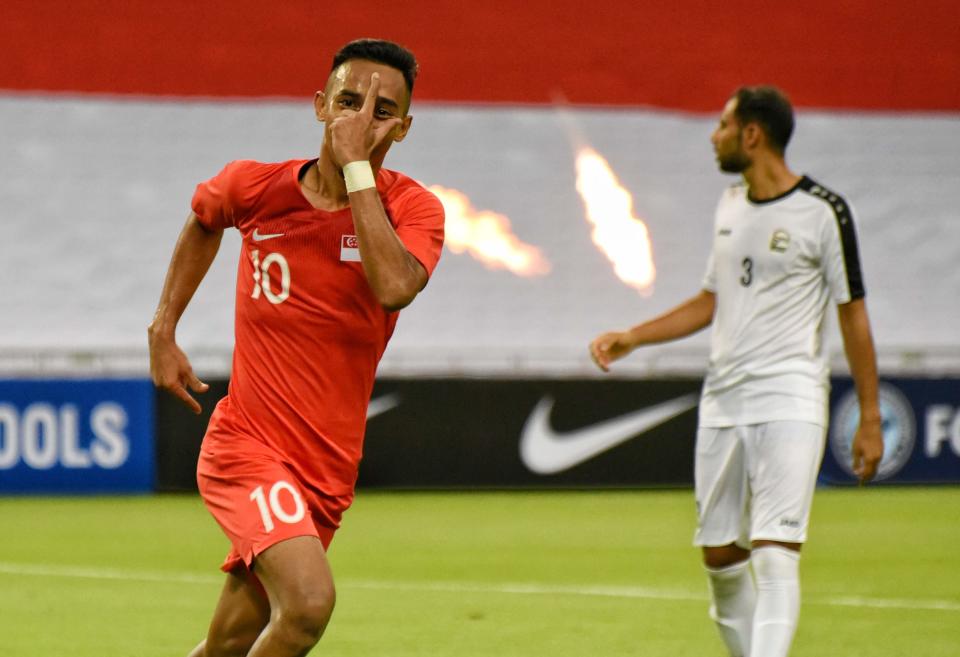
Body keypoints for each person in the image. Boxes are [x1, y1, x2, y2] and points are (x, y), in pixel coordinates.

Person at [148, 39, 444, 657]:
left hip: (326, 474)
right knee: (308, 605)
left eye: (383, 111)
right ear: (319, 106)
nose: (361, 121)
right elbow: (206, 217)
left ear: (406, 128)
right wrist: (164, 329)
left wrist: (358, 171)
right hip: (247, 449)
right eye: (348, 101)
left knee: (227, 644)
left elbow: (393, 286)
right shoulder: (257, 189)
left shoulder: (414, 208)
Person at [589, 86, 883, 657]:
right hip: (724, 398)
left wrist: (870, 414)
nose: (713, 135)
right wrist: (635, 336)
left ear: (753, 134)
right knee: (722, 559)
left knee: (775, 551)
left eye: (723, 124)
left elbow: (855, 317)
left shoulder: (824, 211)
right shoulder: (729, 204)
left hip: (791, 396)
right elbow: (712, 299)